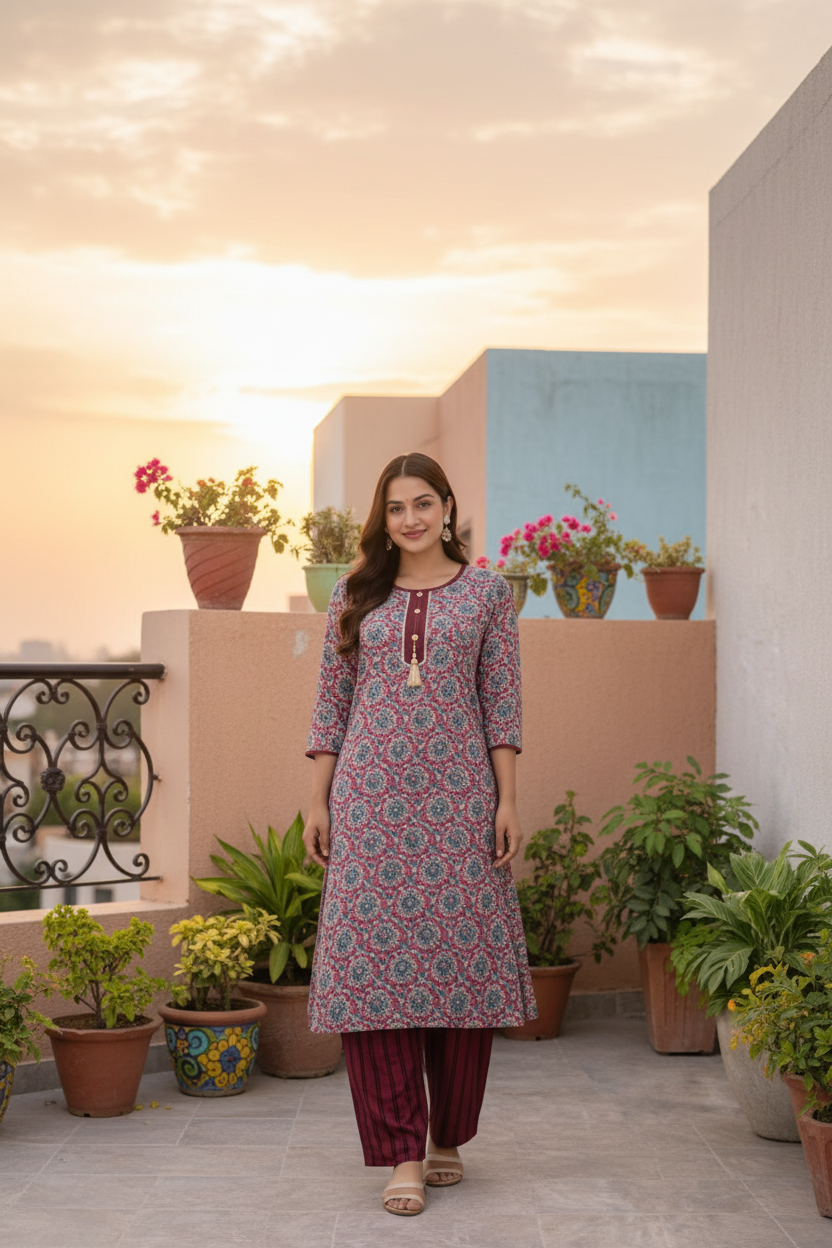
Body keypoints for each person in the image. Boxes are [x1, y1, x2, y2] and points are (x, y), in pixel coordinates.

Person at [303, 452, 536, 1217]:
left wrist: (506, 800)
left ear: (447, 507)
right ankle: (400, 1151)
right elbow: (330, 705)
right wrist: (319, 801)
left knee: (463, 972)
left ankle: (447, 1138)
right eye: (396, 507)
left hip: (462, 801)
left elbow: (501, 702)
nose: (410, 519)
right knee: (374, 978)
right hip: (370, 804)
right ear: (384, 515)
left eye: (423, 504)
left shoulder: (488, 596)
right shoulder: (355, 591)